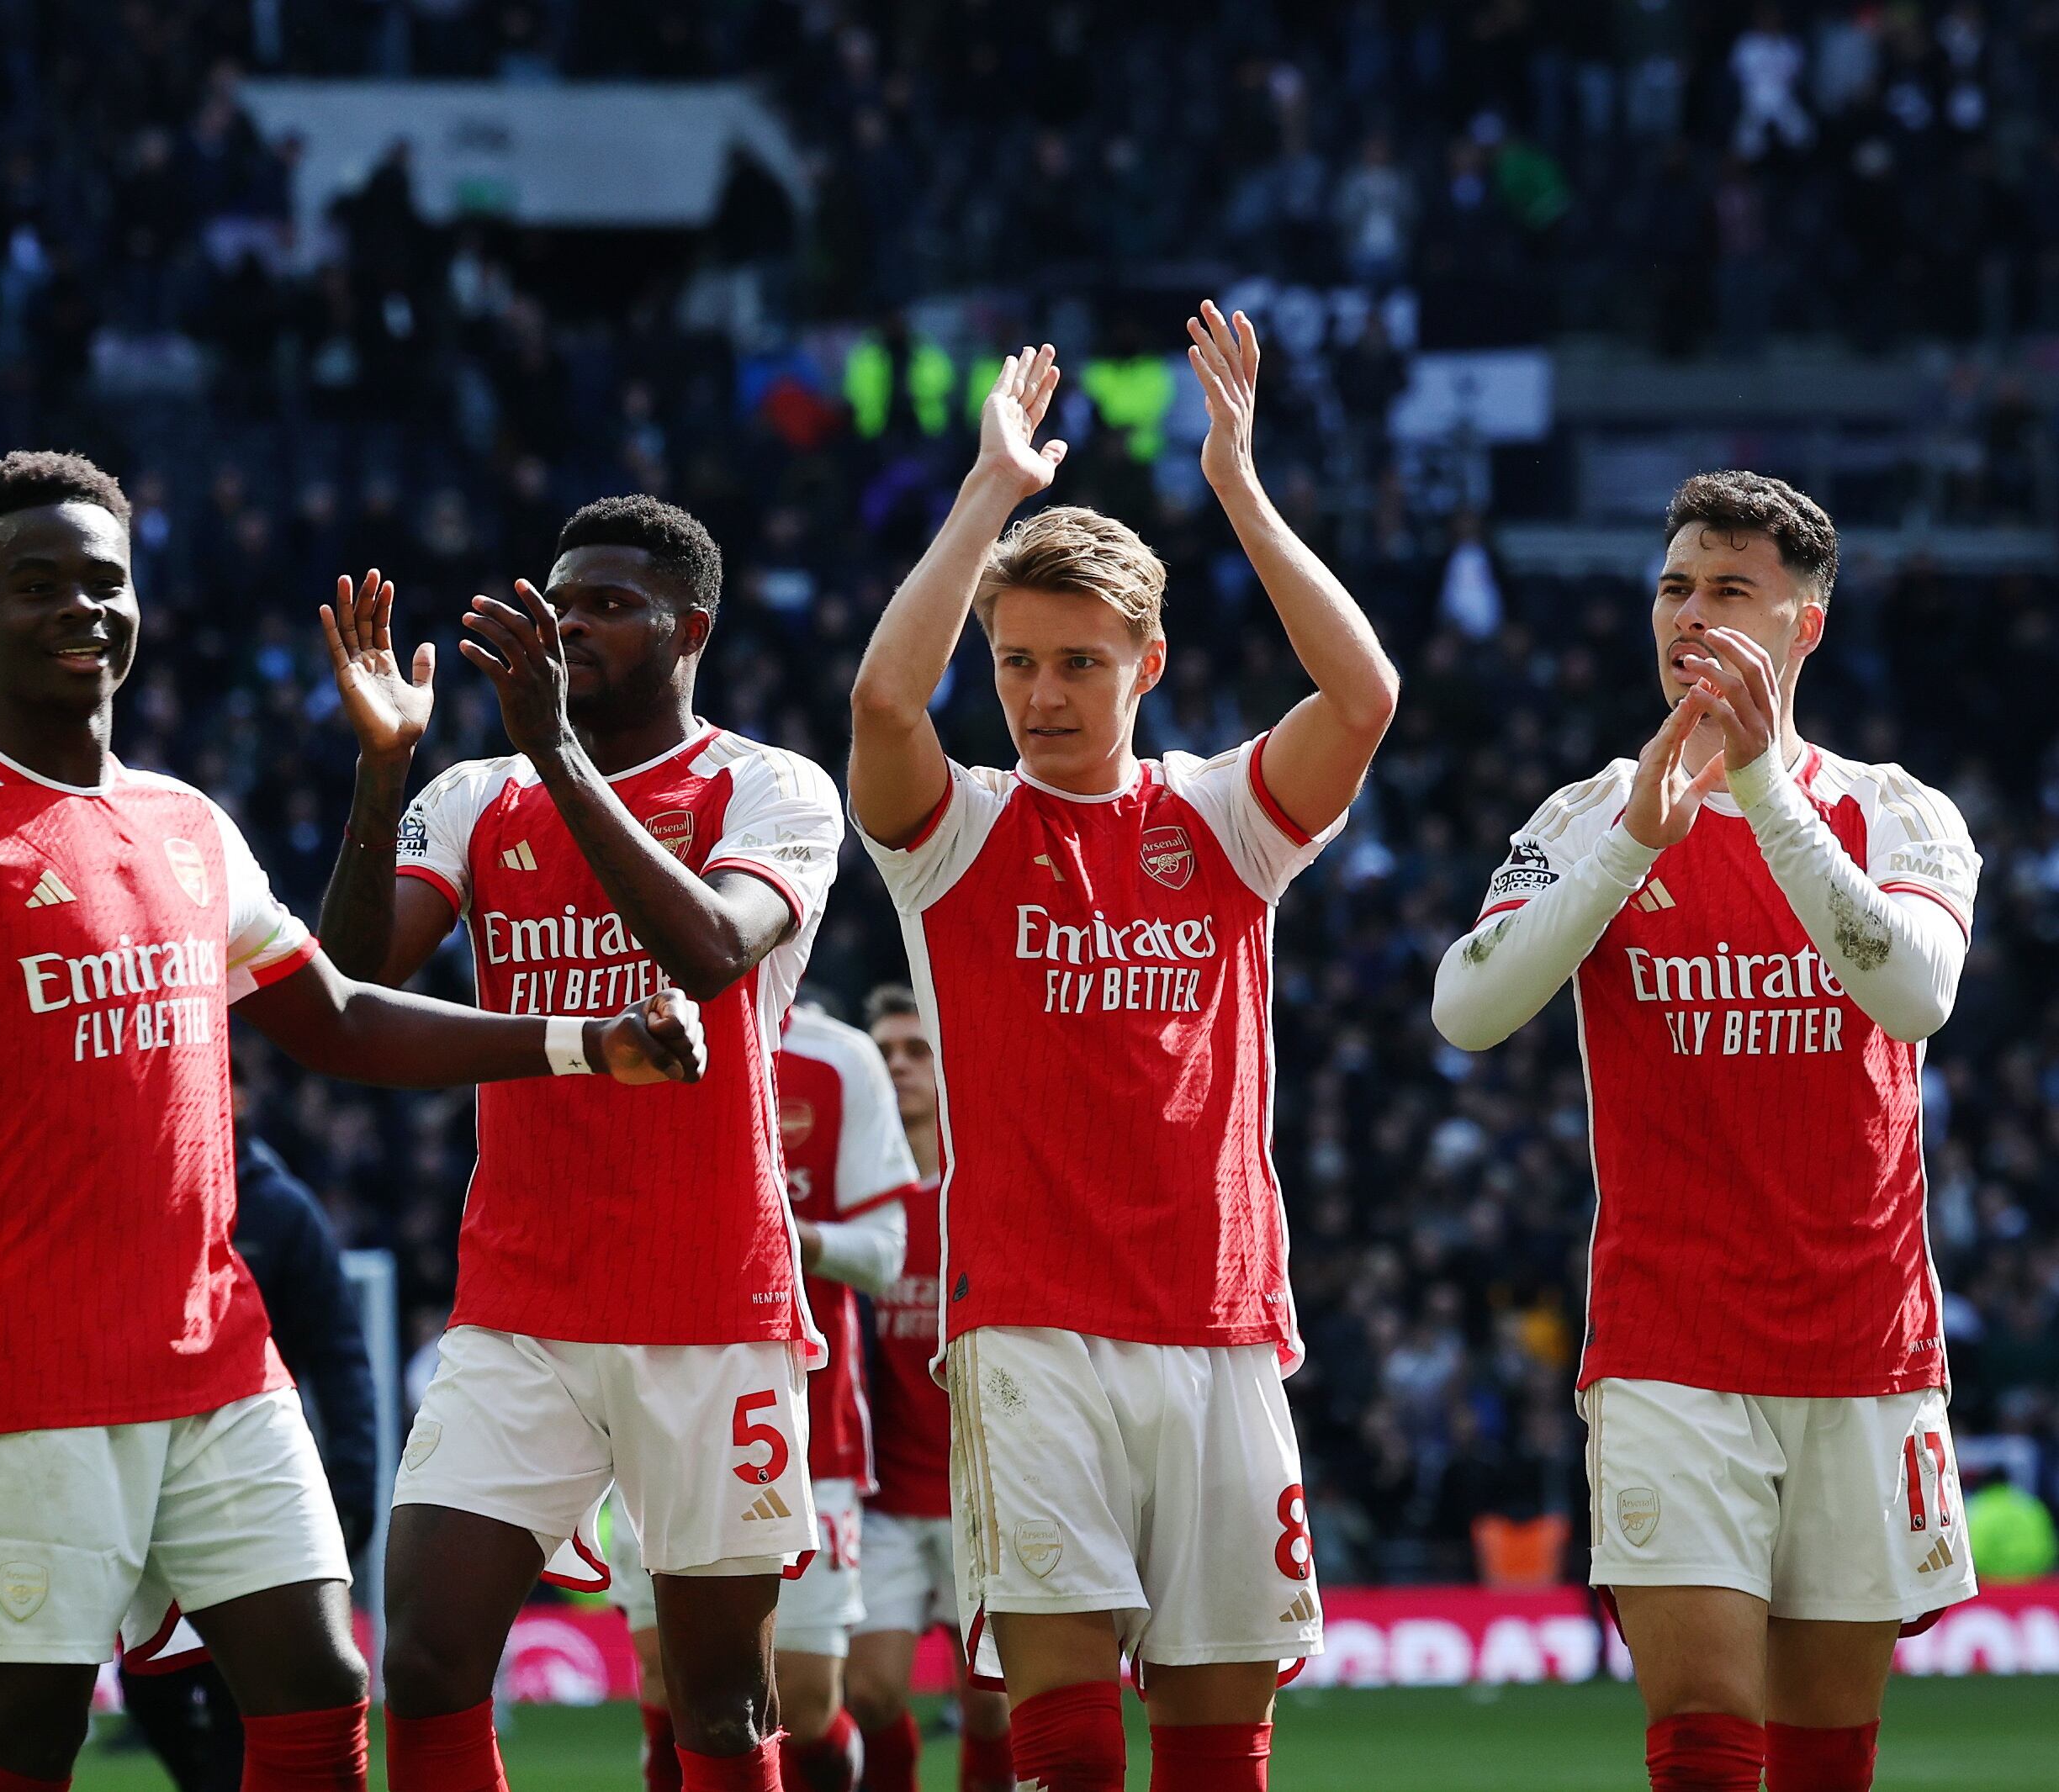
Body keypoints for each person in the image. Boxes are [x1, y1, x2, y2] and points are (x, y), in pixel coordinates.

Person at [0, 451, 703, 1792]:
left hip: (217, 1354)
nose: (81, 609)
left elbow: (340, 1014)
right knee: (24, 1742)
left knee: (321, 1691)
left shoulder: (187, 825)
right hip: (25, 1373)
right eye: (37, 586)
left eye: (105, 583)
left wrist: (577, 1042)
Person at [844, 318, 1399, 1792]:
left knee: (1217, 1747)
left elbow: (1362, 701)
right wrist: (986, 494)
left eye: (1077, 664)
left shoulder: (1220, 820)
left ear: (1145, 662)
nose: (1039, 696)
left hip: (1217, 1326)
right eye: (1016, 661)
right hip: (1025, 1331)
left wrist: (1237, 485)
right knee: (1069, 1750)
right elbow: (880, 707)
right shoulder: (952, 836)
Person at [1430, 472, 1982, 1792]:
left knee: (1825, 1754)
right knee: (1701, 1735)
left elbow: (1914, 990)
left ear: (1806, 624)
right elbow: (1468, 1007)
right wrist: (1633, 843)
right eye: (1675, 585)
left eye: (1731, 588)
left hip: (1862, 1337)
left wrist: (1761, 790)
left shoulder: (1899, 811)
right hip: (1671, 1340)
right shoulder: (1587, 815)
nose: (1692, 613)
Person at [311, 496, 846, 1792]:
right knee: (429, 1662)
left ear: (693, 629)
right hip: (521, 1305)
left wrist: (558, 752)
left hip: (713, 1303)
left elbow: (709, 951)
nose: (575, 623)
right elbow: (348, 977)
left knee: (721, 1706)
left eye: (611, 603)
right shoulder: (471, 794)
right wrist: (384, 773)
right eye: (564, 599)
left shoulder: (770, 787)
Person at [605, 998, 913, 1792]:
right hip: (656, 1411)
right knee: (666, 1686)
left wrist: (780, 1229)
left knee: (804, 1702)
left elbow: (884, 1256)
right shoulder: (630, 1037)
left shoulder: (840, 1058)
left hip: (806, 1425)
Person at [120, 1051, 384, 1789]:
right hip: (146, 1478)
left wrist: (354, 1483)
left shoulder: (281, 1210)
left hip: (260, 1473)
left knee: (276, 1688)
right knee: (154, 1681)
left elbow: (339, 1356)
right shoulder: (140, 1191)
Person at [844, 986, 1013, 1792]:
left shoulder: (989, 1189)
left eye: (917, 1051)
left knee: (991, 1711)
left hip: (985, 1492)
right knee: (867, 1690)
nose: (901, 1067)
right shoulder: (851, 1203)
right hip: (882, 1497)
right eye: (884, 1054)